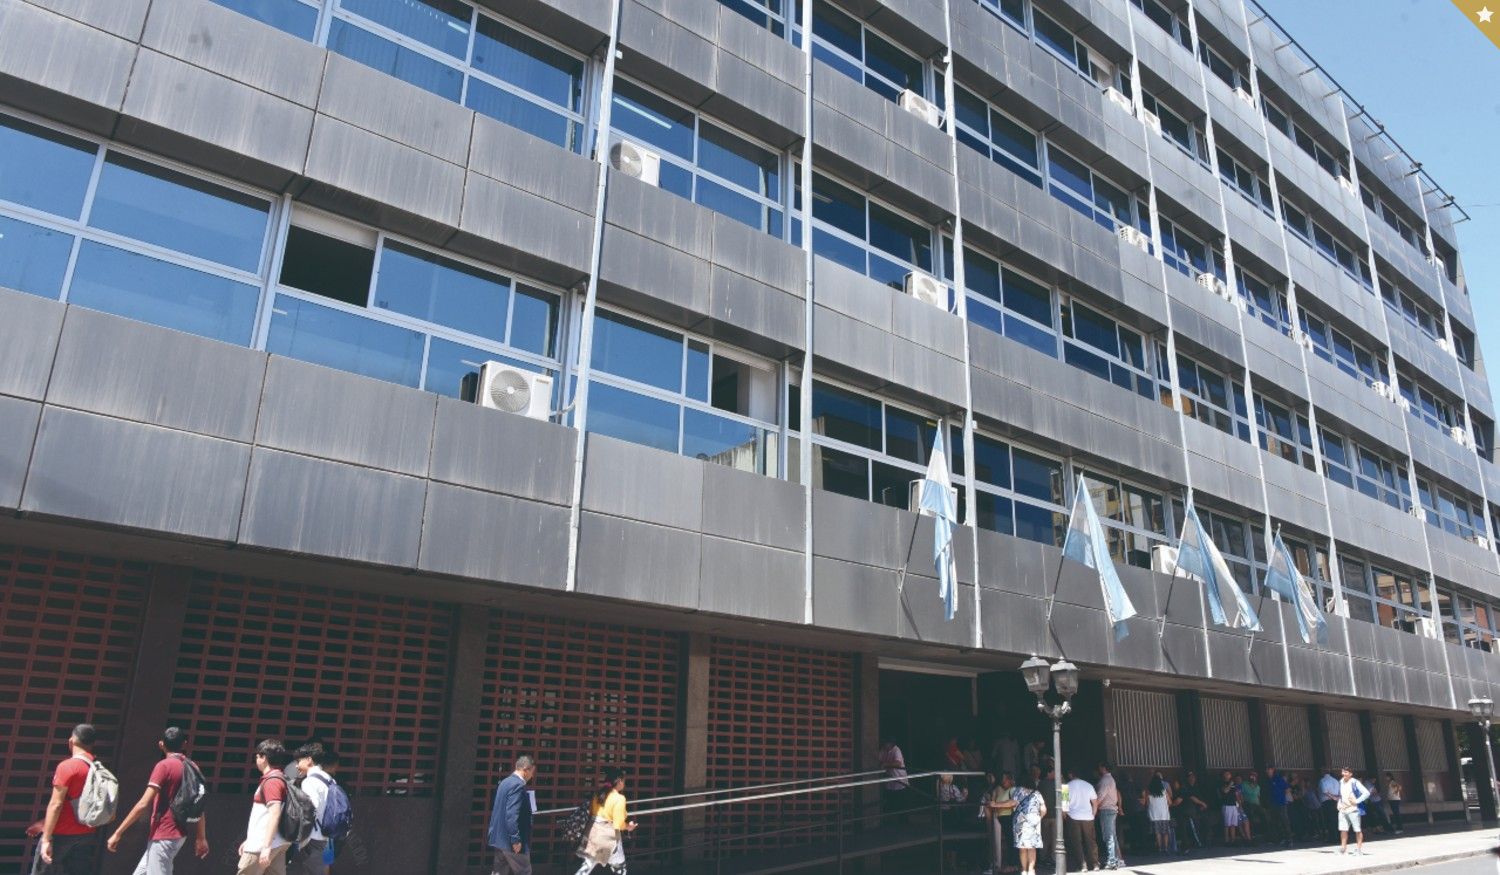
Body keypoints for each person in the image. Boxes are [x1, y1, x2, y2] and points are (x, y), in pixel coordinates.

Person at [105, 727, 209, 874]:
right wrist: (201, 837)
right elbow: (199, 804)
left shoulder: (164, 766)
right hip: (176, 833)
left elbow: (143, 804)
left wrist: (118, 832)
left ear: (161, 744)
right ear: (184, 744)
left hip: (164, 834)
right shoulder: (192, 767)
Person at [26, 724, 104, 875]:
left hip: (60, 833)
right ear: (93, 743)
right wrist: (43, 822)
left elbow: (56, 804)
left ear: (71, 741)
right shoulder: (99, 769)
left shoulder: (68, 766)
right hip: (86, 833)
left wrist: (46, 838)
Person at [238, 739, 291, 875]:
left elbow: (274, 814)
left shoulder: (272, 782)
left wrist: (265, 846)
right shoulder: (280, 778)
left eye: (258, 756)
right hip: (277, 842)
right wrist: (250, 840)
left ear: (264, 758)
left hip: (262, 844)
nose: (256, 759)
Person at [575, 767, 636, 875]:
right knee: (620, 869)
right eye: (624, 781)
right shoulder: (619, 798)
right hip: (608, 838)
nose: (624, 784)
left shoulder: (597, 795)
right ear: (619, 781)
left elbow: (592, 814)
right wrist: (629, 826)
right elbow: (618, 824)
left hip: (592, 834)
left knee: (586, 868)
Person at [290, 743, 335, 875]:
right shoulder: (329, 779)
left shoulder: (309, 781)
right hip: (328, 837)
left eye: (299, 761)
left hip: (313, 838)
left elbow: (310, 809)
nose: (297, 766)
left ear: (309, 760)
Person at [488, 755, 537, 875]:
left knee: (499, 872)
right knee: (524, 871)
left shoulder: (504, 782)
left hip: (499, 839)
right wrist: (515, 839)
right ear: (526, 769)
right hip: (512, 842)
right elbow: (512, 814)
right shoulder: (518, 785)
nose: (532, 776)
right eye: (532, 772)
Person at [983, 772, 1020, 875]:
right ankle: (1004, 865)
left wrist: (996, 805)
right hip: (1000, 817)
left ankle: (1012, 865)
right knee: (1005, 841)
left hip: (1009, 817)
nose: (1003, 781)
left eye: (1005, 779)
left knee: (1011, 841)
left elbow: (1012, 802)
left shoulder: (1012, 790)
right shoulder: (999, 790)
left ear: (1009, 780)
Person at [1062, 768, 1099, 872]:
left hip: (1073, 816)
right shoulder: (1088, 785)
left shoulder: (1065, 787)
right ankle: (1095, 864)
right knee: (1091, 841)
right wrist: (1093, 814)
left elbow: (1064, 806)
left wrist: (1065, 817)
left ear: (1070, 775)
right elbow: (1095, 802)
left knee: (1076, 842)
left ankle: (1082, 865)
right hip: (1088, 817)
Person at [1013, 775, 1047, 875]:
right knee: (1032, 847)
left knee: (1022, 847)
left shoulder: (1018, 791)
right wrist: (1038, 818)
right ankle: (1031, 870)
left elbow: (1013, 803)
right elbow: (1044, 809)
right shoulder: (1037, 793)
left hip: (1021, 822)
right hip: (1034, 822)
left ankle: (1024, 870)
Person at [1336, 766, 1370, 856]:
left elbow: (1366, 793)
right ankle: (1343, 849)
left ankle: (1358, 849)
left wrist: (1357, 801)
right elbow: (1341, 795)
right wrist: (1339, 804)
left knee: (1357, 830)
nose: (1344, 774)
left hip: (1353, 809)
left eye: (1346, 772)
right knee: (1343, 829)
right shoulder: (1341, 782)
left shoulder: (1355, 782)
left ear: (1351, 774)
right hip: (1343, 809)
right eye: (1343, 772)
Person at [1094, 763, 1122, 870]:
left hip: (1106, 809)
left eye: (1100, 767)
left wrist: (1094, 807)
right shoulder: (1111, 779)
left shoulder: (1105, 780)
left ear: (1103, 768)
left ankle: (1111, 861)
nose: (1099, 769)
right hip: (1111, 809)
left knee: (1108, 836)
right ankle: (1117, 859)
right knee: (1112, 835)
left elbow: (1100, 795)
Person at [1176, 772, 1206, 850]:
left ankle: (1199, 843)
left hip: (1192, 810)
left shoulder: (1190, 787)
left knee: (1195, 827)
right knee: (1191, 828)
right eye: (1190, 777)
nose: (1192, 778)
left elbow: (1195, 798)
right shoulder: (1185, 788)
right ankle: (1195, 843)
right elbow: (1192, 798)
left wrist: (1202, 804)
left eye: (1193, 777)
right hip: (1187, 811)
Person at [879, 737, 910, 813]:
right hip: (890, 781)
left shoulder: (896, 750)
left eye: (887, 743)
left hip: (900, 781)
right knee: (891, 803)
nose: (885, 745)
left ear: (891, 744)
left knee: (901, 804)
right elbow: (879, 760)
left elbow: (898, 763)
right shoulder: (883, 750)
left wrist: (886, 764)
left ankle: (903, 818)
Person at [1265, 766, 1292, 847]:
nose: (1267, 771)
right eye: (1266, 770)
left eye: (1268, 769)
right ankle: (1279, 839)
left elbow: (1287, 789)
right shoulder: (1268, 780)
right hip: (1272, 805)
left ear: (1272, 770)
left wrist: (1281, 796)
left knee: (1284, 821)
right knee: (1275, 822)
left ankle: (1289, 840)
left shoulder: (1279, 779)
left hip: (1281, 804)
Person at [1145, 775, 1172, 855]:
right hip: (1164, 815)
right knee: (1165, 832)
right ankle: (1165, 848)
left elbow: (1147, 804)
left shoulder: (1149, 793)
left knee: (1158, 833)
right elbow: (1170, 802)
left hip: (1154, 815)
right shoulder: (1164, 791)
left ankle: (1160, 848)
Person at [1317, 768, 1340, 843]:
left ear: (1323, 772)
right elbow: (1339, 792)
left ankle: (1332, 838)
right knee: (1336, 819)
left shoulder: (1323, 780)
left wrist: (1333, 797)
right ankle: (1338, 837)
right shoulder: (1335, 780)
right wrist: (1336, 798)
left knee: (1329, 820)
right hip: (1336, 802)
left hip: (1327, 802)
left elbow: (1325, 792)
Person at [1240, 772, 1262, 843]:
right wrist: (1242, 803)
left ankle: (1268, 834)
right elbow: (1241, 794)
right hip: (1248, 804)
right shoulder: (1244, 784)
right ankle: (1252, 835)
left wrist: (1259, 805)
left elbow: (1258, 797)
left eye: (1254, 776)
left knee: (1264, 815)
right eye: (1251, 776)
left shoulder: (1258, 786)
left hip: (1257, 805)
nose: (1253, 777)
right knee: (1251, 817)